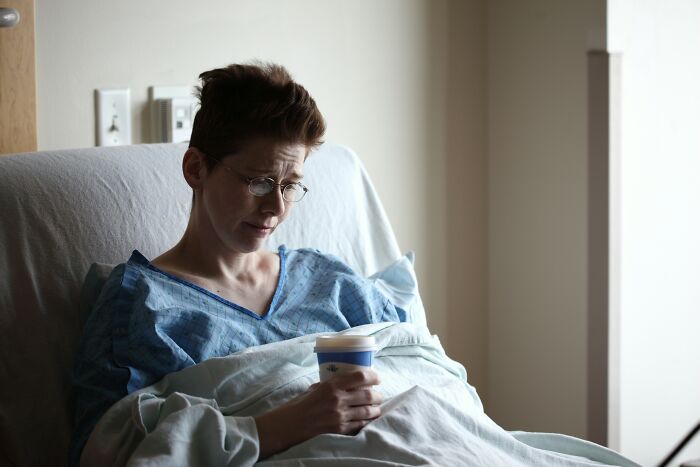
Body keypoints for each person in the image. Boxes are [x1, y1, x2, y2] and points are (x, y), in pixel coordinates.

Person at [69, 62, 409, 466]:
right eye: (259, 182)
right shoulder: (143, 307)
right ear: (196, 168)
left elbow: (423, 371)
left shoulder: (329, 281)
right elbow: (107, 451)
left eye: (290, 185)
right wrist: (284, 424)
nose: (276, 207)